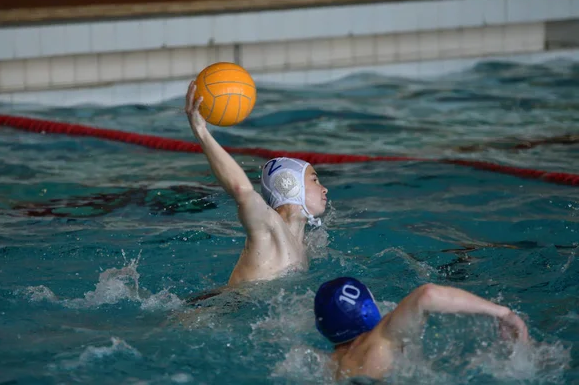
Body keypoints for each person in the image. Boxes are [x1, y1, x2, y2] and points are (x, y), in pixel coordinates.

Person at [184, 82, 328, 286]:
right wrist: (201, 131)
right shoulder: (269, 226)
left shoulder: (305, 244)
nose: (324, 188)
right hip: (222, 311)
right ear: (290, 185)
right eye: (314, 180)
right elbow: (240, 190)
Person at [314, 277, 530, 381]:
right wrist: (504, 313)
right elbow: (428, 295)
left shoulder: (329, 365)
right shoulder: (380, 339)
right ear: (368, 308)